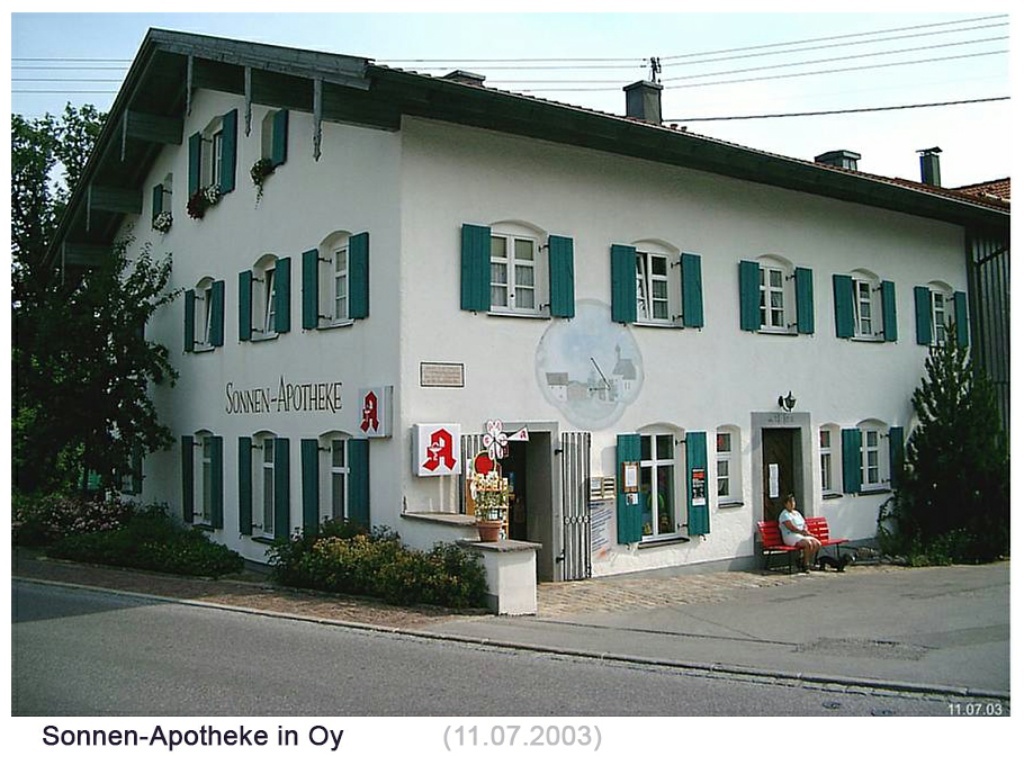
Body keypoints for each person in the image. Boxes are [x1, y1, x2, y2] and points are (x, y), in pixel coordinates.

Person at [777, 494, 821, 572]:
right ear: (785, 504)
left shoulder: (797, 513)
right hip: (790, 535)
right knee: (807, 544)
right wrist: (803, 532)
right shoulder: (784, 515)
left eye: (793, 502)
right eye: (790, 502)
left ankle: (802, 560)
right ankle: (806, 565)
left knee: (817, 543)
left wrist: (806, 531)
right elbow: (791, 528)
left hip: (801, 534)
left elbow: (804, 524)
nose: (792, 504)